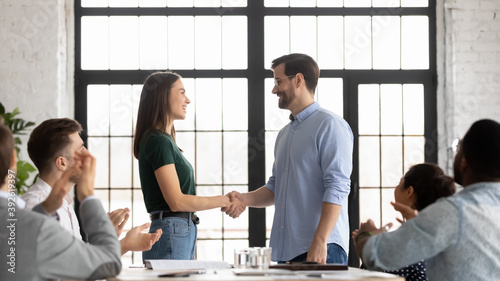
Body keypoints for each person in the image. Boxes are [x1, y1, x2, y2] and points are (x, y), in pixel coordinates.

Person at [224, 53, 353, 264]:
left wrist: (320, 241)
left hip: (322, 249)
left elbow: (338, 186)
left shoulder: (330, 125)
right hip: (287, 253)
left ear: (299, 79)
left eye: (278, 81)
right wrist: (243, 199)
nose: (274, 89)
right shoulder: (284, 134)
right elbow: (276, 187)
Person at [354, 119, 500, 281]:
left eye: (458, 148)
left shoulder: (452, 212)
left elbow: (375, 255)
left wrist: (365, 235)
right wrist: (421, 225)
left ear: (464, 161)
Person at [133, 71, 244, 261]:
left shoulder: (165, 141)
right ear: (162, 96)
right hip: (171, 229)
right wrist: (225, 200)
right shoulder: (157, 141)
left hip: (180, 229)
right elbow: (177, 202)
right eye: (182, 92)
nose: (188, 100)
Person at [21, 118, 161, 255]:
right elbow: (66, 271)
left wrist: (113, 239)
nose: (89, 155)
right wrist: (124, 244)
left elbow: (79, 261)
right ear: (62, 163)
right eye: (81, 149)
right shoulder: (34, 207)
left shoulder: (63, 204)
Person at [0, 123, 122, 280]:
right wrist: (87, 196)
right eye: (81, 149)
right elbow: (108, 264)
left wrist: (43, 210)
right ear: (13, 160)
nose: (88, 155)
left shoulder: (48, 208)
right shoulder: (34, 224)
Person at [353, 163, 456, 281]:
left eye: (399, 183)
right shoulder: (439, 234)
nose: (396, 188)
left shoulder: (409, 239)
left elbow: (373, 276)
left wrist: (367, 239)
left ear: (409, 192)